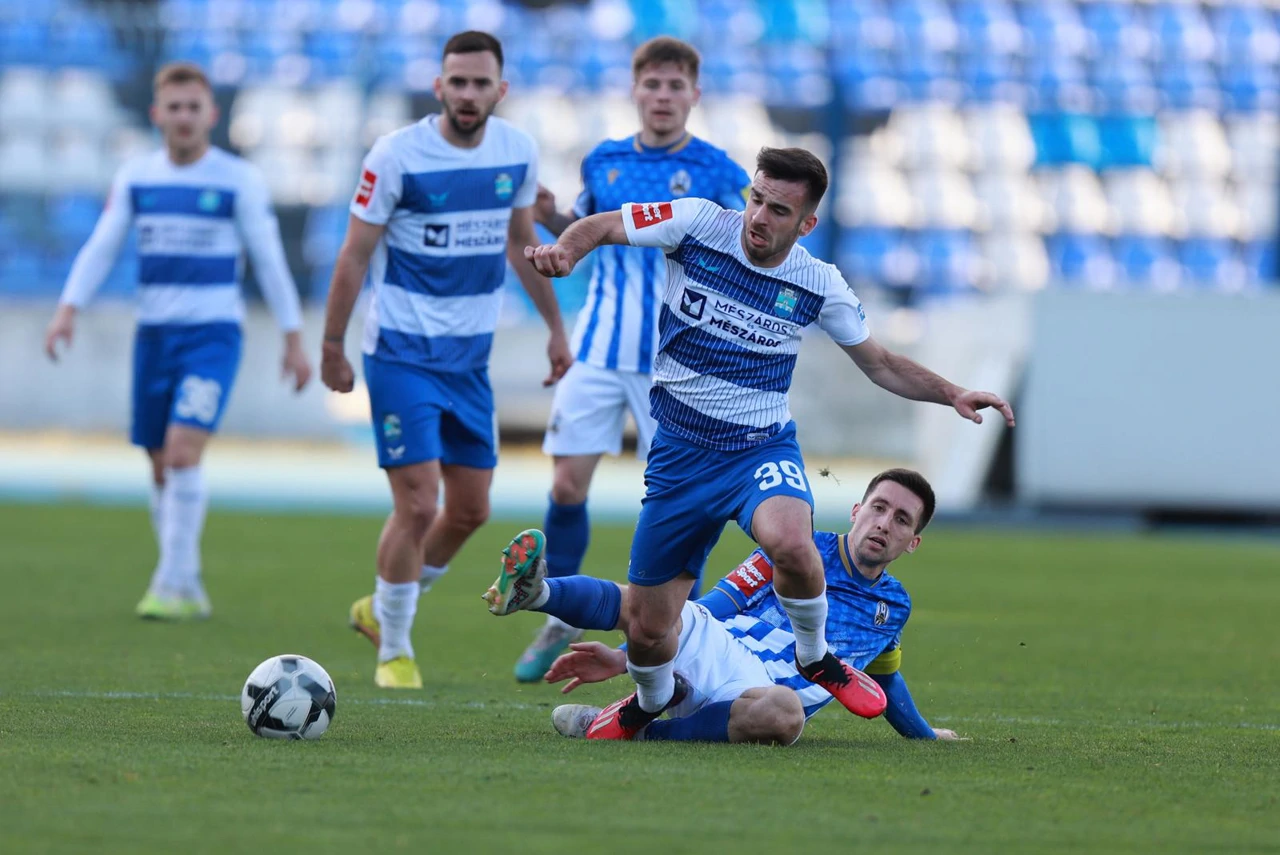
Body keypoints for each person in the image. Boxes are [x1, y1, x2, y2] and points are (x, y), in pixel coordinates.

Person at [504, 146, 1015, 737]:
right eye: (757, 200)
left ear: (806, 224)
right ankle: (644, 706)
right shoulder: (697, 222)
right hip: (680, 454)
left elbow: (879, 363)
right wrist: (568, 250)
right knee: (647, 625)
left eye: (778, 210)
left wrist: (952, 393)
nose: (759, 217)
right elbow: (604, 224)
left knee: (793, 543)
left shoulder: (818, 283)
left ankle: (814, 656)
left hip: (758, 448)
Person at [323, 31, 572, 689]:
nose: (467, 93)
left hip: (469, 362)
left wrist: (555, 327)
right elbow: (354, 253)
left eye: (479, 83)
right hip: (400, 355)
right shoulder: (396, 155)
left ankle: (380, 605)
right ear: (438, 86)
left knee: (469, 510)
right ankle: (394, 649)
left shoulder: (515, 150)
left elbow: (520, 243)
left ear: (500, 90)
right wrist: (331, 345)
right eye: (456, 81)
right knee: (416, 502)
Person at [513, 36, 752, 683]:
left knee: (678, 503)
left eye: (676, 86)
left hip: (673, 366)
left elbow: (745, 250)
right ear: (635, 89)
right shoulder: (605, 159)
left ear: (694, 94)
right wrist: (552, 217)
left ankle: (677, 628)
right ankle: (559, 615)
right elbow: (587, 227)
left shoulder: (718, 171)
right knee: (566, 486)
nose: (663, 96)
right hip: (597, 349)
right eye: (653, 84)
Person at [43, 62, 312, 621]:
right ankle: (187, 583)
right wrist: (68, 310)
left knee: (184, 450)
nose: (184, 117)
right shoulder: (137, 176)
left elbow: (268, 259)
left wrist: (293, 337)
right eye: (175, 107)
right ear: (157, 114)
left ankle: (168, 583)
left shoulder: (237, 179)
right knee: (160, 462)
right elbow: (102, 245)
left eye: (194, 107)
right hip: (154, 336)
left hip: (213, 336)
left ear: (211, 115)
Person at [486, 469, 964, 744]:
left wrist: (924, 735)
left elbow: (882, 678)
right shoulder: (797, 548)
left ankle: (637, 724)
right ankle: (538, 593)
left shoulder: (894, 606)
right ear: (857, 511)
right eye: (878, 508)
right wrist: (621, 656)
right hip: (720, 648)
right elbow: (717, 604)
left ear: (913, 541)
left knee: (787, 715)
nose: (884, 524)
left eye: (901, 519)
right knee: (651, 605)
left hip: (759, 697)